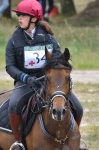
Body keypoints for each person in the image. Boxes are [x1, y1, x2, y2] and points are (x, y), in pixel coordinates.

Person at [5, 0, 83, 149]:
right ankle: (19, 141)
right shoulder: (14, 41)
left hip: (49, 82)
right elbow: (10, 67)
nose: (19, 18)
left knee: (78, 107)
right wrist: (25, 78)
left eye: (23, 15)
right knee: (14, 105)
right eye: (19, 15)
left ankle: (74, 139)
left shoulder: (49, 38)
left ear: (33, 18)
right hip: (26, 82)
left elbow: (58, 61)